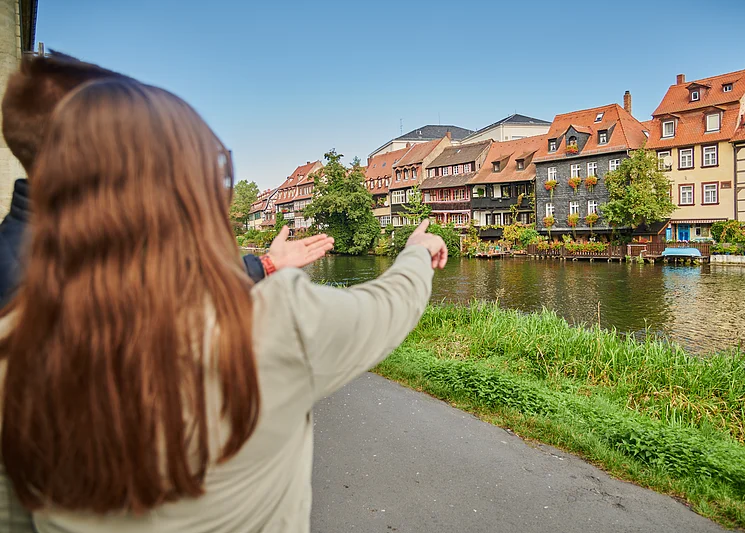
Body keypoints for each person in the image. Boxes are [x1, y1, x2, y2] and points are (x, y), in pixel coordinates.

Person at [0, 78, 446, 532]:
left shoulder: (16, 335)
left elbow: (15, 513)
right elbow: (386, 307)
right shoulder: (271, 322)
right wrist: (416, 252)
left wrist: (269, 262)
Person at [0, 51, 331, 305]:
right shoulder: (26, 274)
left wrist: (269, 263)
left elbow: (181, 287)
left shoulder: (83, 233)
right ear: (89, 150)